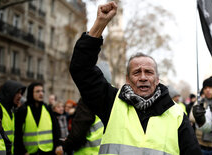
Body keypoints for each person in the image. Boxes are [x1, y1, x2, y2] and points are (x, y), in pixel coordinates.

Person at [68, 1, 202, 154]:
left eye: (149, 72)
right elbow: (81, 69)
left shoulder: (177, 115)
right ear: (127, 79)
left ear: (157, 79)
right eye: (137, 72)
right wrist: (99, 24)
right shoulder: (111, 103)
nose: (143, 77)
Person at [14, 82, 62, 154]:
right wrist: (22, 151)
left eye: (42, 91)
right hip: (30, 152)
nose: (41, 93)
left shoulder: (47, 109)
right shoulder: (23, 110)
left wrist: (57, 145)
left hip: (47, 151)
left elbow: (56, 129)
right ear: (31, 93)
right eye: (37, 91)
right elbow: (17, 133)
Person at [0, 80, 26, 154]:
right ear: (8, 93)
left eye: (21, 93)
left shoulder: (11, 111)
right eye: (17, 92)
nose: (20, 96)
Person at [190, 76, 212, 155]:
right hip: (200, 145)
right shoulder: (200, 102)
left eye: (210, 87)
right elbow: (191, 117)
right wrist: (199, 116)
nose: (207, 90)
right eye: (205, 88)